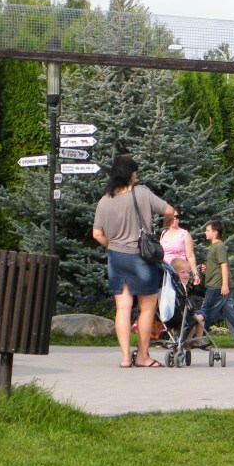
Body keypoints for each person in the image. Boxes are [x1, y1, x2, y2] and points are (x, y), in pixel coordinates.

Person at [92, 154, 176, 368]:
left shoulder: (104, 200)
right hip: (141, 258)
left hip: (116, 257)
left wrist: (112, 245)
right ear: (130, 174)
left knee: (123, 308)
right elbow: (170, 211)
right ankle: (142, 357)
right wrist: (165, 225)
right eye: (135, 172)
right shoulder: (141, 193)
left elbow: (97, 234)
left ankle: (125, 358)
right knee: (147, 307)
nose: (136, 176)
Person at [200, 219, 234, 344]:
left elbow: (224, 265)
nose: (205, 233)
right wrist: (207, 269)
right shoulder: (214, 247)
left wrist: (224, 285)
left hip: (217, 286)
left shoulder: (219, 247)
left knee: (205, 311)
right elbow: (217, 266)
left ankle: (197, 337)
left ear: (215, 232)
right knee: (230, 312)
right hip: (217, 284)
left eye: (208, 230)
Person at [160, 210, 201, 287]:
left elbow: (190, 256)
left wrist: (195, 274)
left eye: (177, 217)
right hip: (165, 270)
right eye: (172, 217)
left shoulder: (184, 234)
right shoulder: (164, 233)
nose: (175, 219)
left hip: (179, 272)